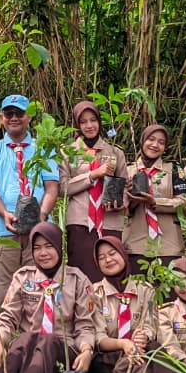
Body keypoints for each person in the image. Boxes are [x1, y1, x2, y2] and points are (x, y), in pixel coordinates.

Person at [0, 222, 97, 373]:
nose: (43, 253)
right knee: (25, 339)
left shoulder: (77, 279)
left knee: (46, 339)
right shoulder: (23, 277)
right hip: (27, 348)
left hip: (63, 350)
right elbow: (8, 317)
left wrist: (87, 350)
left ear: (59, 247)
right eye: (37, 248)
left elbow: (85, 325)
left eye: (49, 246)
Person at [0, 94, 61, 317]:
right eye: (9, 113)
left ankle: (33, 346)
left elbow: (52, 188)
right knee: (2, 293)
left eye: (19, 113)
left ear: (29, 118)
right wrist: (5, 213)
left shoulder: (44, 147)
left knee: (37, 290)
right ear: (2, 117)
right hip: (1, 230)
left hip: (39, 232)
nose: (14, 118)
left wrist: (42, 216)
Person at [61, 101, 128, 284]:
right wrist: (92, 175)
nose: (89, 126)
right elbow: (62, 188)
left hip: (110, 222)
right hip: (80, 222)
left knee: (111, 272)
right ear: (77, 125)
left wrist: (121, 203)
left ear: (100, 122)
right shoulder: (68, 153)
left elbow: (125, 188)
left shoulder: (115, 152)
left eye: (93, 120)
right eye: (83, 122)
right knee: (81, 276)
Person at [88, 236, 159, 373]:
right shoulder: (94, 293)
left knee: (154, 350)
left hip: (140, 350)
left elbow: (151, 323)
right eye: (102, 257)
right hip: (107, 357)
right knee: (135, 358)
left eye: (112, 253)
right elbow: (98, 338)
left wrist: (143, 336)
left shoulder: (146, 290)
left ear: (123, 254)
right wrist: (124, 344)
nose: (108, 260)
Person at [123, 124, 186, 278]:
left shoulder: (173, 169)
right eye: (151, 139)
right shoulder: (127, 171)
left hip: (169, 244)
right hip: (135, 244)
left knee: (168, 296)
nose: (155, 145)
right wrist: (130, 199)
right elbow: (119, 211)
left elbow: (185, 202)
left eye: (161, 142)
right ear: (142, 141)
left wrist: (155, 202)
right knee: (139, 293)